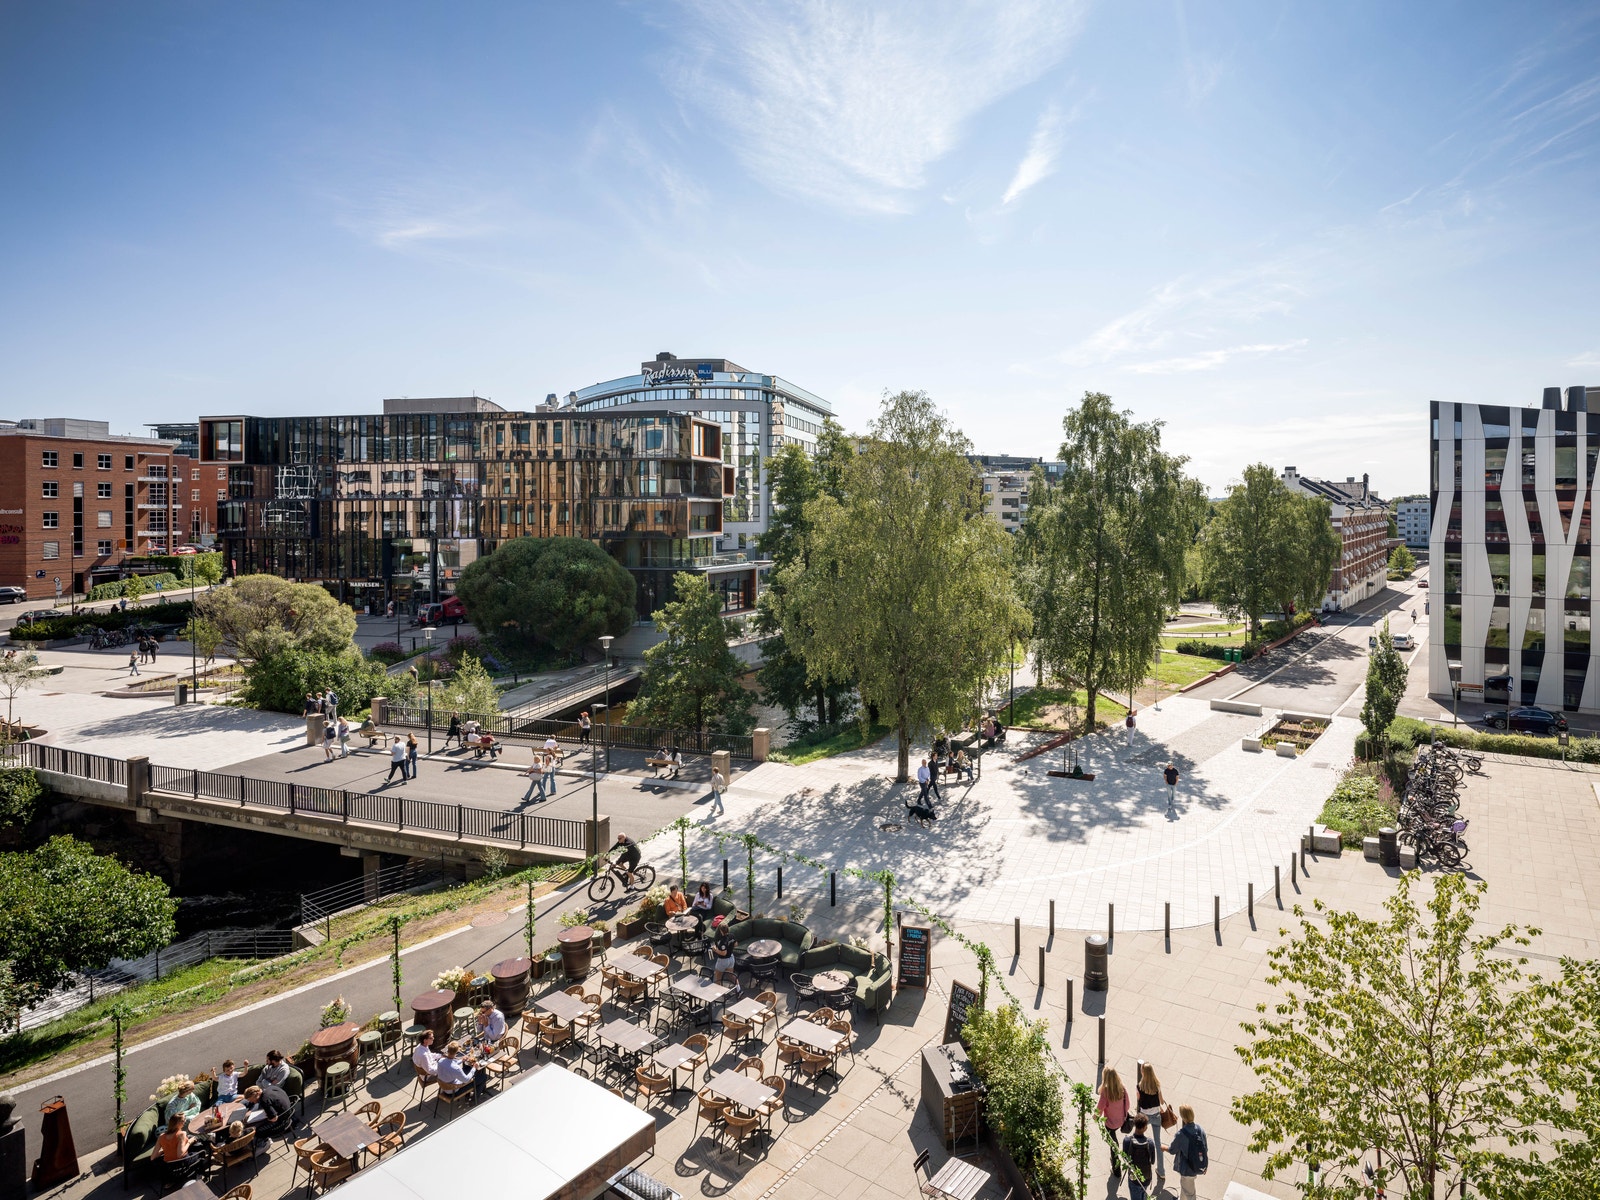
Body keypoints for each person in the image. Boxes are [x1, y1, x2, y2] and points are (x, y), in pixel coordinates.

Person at [1135, 1060, 1168, 1186]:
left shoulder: (1139, 1086)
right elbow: (1161, 1101)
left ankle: (1137, 1164)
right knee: (1158, 1142)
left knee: (1137, 1137)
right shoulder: (1157, 1085)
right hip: (1156, 1116)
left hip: (1144, 1116)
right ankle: (1161, 1170)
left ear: (1143, 1072)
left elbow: (1139, 1100)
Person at [1168, 1106, 1208, 1200]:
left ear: (1183, 1118)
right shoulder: (1200, 1129)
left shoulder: (1181, 1134)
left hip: (1187, 1169)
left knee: (1190, 1194)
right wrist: (1205, 1164)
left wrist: (1163, 1147)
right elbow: (1205, 1148)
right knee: (1186, 1187)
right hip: (1196, 1165)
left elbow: (1172, 1150)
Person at [1097, 1068, 1131, 1180]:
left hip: (1110, 1123)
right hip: (1121, 1120)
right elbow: (1128, 1105)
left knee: (1113, 1146)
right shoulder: (1122, 1089)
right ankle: (1115, 1159)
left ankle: (1117, 1170)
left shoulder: (1105, 1092)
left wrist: (1095, 1117)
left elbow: (1099, 1108)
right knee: (1114, 1142)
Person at [1122, 1114, 1157, 1200]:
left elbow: (1125, 1158)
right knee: (1143, 1195)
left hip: (1133, 1178)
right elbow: (1152, 1161)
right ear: (1145, 1127)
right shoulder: (1150, 1142)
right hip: (1146, 1177)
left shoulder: (1127, 1141)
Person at [710, 925, 742, 994]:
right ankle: (739, 990)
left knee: (718, 976)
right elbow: (736, 944)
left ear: (721, 931)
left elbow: (724, 953)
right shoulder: (732, 936)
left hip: (723, 961)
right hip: (731, 958)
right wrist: (730, 945)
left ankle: (721, 993)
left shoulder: (723, 941)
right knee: (731, 975)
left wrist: (715, 950)